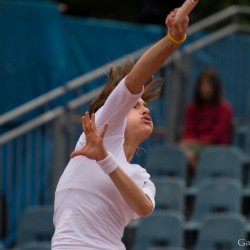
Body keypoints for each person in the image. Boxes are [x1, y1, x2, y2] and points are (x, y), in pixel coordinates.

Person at [52, 8, 189, 250]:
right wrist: (172, 40)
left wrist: (105, 159)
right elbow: (136, 79)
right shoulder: (101, 129)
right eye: (135, 105)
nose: (145, 110)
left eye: (146, 106)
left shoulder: (140, 176)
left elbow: (144, 207)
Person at [180, 68, 233, 174]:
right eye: (203, 85)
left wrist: (196, 142)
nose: (205, 89)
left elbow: (218, 135)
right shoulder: (192, 107)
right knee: (178, 151)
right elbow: (189, 131)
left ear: (215, 88)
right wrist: (189, 142)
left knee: (188, 154)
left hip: (216, 147)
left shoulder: (225, 108)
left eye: (209, 86)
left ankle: (201, 178)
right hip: (195, 146)